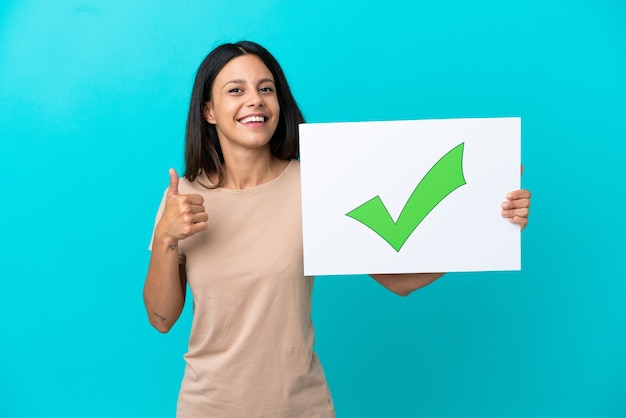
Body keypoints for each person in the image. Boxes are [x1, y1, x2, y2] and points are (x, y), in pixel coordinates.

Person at [143, 40, 531, 418]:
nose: (255, 100)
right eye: (236, 90)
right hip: (207, 408)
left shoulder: (318, 184)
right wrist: (165, 237)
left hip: (301, 408)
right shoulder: (183, 198)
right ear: (209, 111)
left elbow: (399, 280)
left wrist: (487, 223)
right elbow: (161, 319)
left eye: (266, 89)